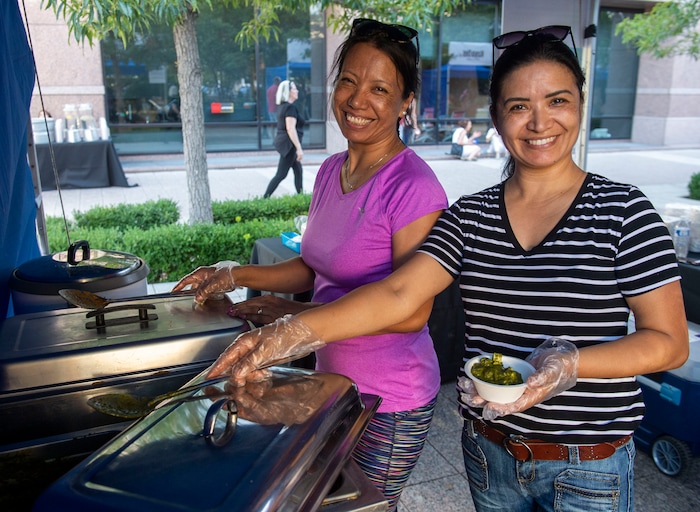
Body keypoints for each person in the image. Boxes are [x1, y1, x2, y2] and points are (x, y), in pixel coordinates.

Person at [201, 26, 690, 512]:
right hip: (488, 449)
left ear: (580, 105)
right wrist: (281, 335)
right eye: (519, 106)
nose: (539, 123)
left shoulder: (625, 211)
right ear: (496, 117)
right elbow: (398, 294)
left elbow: (668, 342)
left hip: (590, 462)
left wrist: (571, 364)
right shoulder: (470, 217)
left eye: (557, 101)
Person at [172, 18, 447, 511]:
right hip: (327, 382)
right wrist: (235, 275)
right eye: (348, 80)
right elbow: (316, 266)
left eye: (380, 88)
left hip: (389, 398)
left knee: (363, 505)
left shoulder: (415, 187)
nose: (358, 100)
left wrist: (294, 327)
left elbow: (411, 311)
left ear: (406, 102)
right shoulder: (329, 170)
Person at [263, 80, 305, 197]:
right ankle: (264, 198)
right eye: (294, 88)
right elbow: (290, 129)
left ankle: (301, 197)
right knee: (281, 174)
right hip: (289, 145)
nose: (297, 91)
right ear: (289, 92)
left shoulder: (283, 106)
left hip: (286, 143)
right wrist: (299, 148)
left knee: (298, 170)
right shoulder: (290, 108)